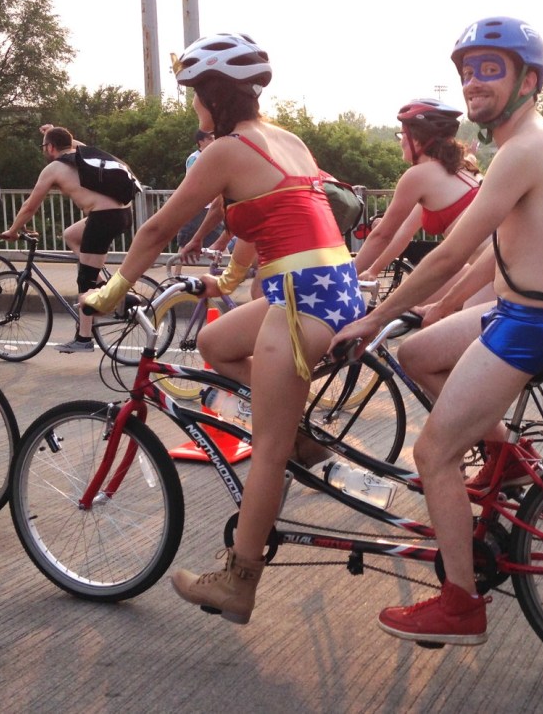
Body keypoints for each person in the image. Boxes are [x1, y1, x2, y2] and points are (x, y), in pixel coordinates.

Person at [81, 31, 365, 624]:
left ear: (212, 94)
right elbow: (268, 218)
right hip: (330, 290)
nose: (193, 105)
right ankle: (300, 437)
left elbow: (156, 231)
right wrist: (228, 282)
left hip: (297, 305)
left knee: (264, 448)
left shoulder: (225, 149)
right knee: (214, 342)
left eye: (193, 93)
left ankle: (238, 581)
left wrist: (110, 292)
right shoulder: (286, 139)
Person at [331, 16, 543, 646]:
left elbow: (446, 254)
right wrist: (439, 307)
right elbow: (486, 255)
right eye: (468, 70)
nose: (474, 81)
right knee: (417, 353)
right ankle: (504, 457)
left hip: (532, 324)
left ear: (530, 79)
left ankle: (460, 604)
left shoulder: (526, 148)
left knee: (433, 453)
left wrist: (374, 317)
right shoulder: (527, 143)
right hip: (524, 308)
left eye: (490, 70)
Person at [0, 126, 134, 353]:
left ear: (50, 147)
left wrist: (13, 230)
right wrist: (53, 130)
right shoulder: (80, 153)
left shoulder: (54, 168)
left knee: (85, 281)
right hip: (121, 214)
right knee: (71, 235)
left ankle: (84, 338)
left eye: (44, 145)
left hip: (103, 218)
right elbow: (72, 143)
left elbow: (30, 206)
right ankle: (108, 289)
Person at [353, 98, 487, 308]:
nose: (400, 141)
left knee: (420, 328)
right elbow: (403, 233)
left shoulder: (418, 176)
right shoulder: (460, 167)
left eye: (402, 134)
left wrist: (343, 279)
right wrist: (373, 270)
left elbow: (382, 235)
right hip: (488, 266)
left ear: (417, 139)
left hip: (494, 273)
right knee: (410, 309)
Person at [172, 129, 225, 275]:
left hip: (212, 206)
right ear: (201, 141)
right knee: (186, 239)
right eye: (210, 139)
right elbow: (194, 181)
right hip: (197, 207)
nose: (213, 141)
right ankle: (176, 273)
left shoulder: (213, 157)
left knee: (219, 237)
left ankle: (225, 270)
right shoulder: (195, 158)